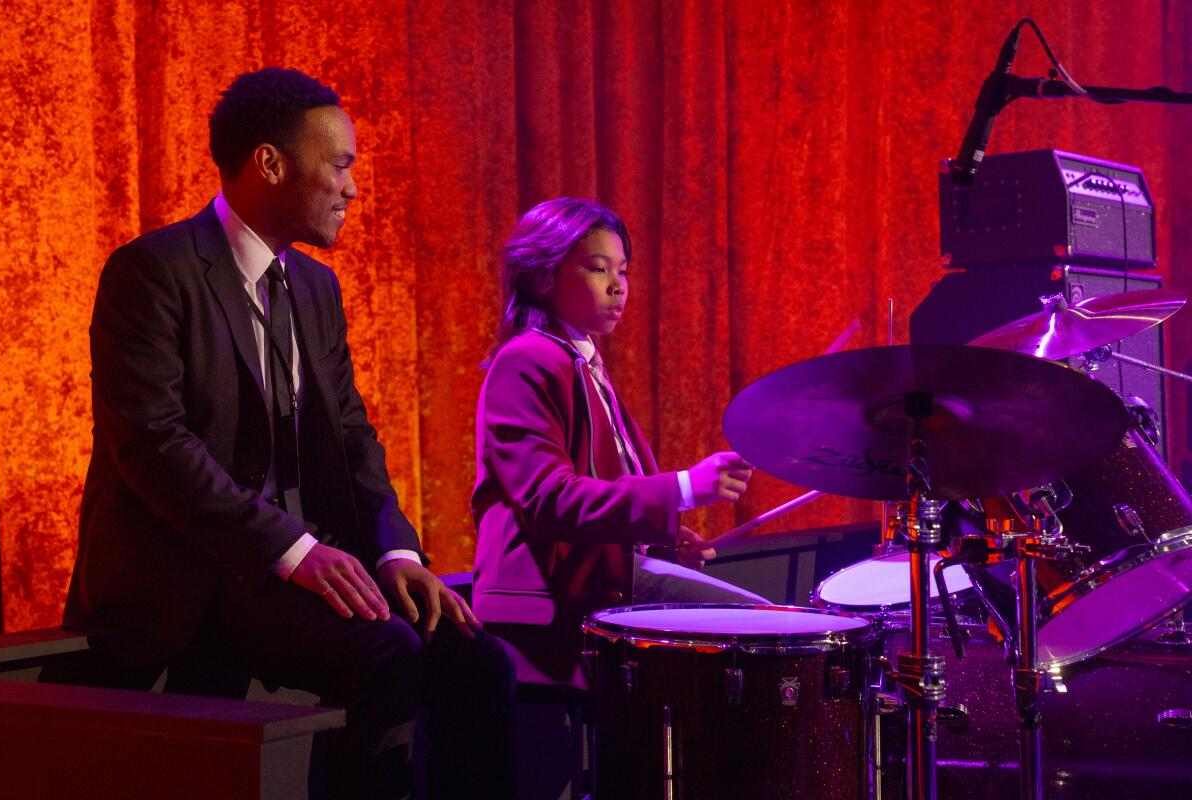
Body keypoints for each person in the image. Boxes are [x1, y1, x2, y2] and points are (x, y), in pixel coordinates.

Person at [60, 67, 511, 799]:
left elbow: (354, 433)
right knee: (386, 652)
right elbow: (154, 446)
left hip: (291, 567)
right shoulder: (152, 271)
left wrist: (396, 549)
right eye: (340, 164)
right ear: (270, 163)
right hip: (195, 575)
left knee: (473, 657)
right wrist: (294, 551)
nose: (353, 188)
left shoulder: (315, 287)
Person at [471, 197, 769, 687]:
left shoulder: (580, 362)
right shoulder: (528, 359)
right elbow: (550, 499)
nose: (618, 287)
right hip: (549, 604)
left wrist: (661, 540)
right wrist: (684, 488)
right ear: (544, 276)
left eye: (623, 271)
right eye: (597, 268)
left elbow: (604, 489)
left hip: (594, 586)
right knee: (761, 631)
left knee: (762, 625)